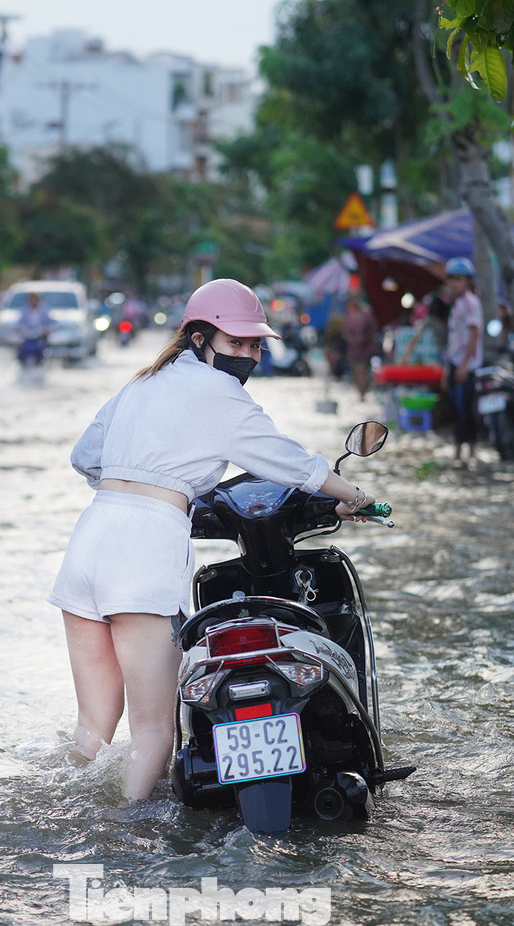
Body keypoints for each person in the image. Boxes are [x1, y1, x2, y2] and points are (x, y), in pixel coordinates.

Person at [48, 278, 380, 802]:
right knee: (153, 731)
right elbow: (294, 463)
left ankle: (66, 817)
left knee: (91, 728)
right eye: (235, 342)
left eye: (255, 345)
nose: (247, 354)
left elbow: (84, 458)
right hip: (145, 550)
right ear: (200, 339)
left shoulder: (140, 383)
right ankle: (118, 832)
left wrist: (139, 480)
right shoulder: (223, 394)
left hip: (90, 538)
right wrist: (357, 497)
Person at [441, 257, 483, 461]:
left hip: (466, 364)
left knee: (463, 408)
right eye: (451, 279)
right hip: (455, 363)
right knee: (457, 408)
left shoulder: (469, 303)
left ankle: (465, 451)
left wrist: (464, 365)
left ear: (467, 282)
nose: (453, 284)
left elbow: (475, 333)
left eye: (458, 280)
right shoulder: (457, 304)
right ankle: (462, 451)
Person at [342, 297, 380, 401]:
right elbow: (345, 332)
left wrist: (364, 338)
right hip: (354, 350)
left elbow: (374, 328)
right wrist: (352, 339)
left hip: (365, 349)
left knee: (362, 371)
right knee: (357, 371)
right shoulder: (349, 317)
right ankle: (361, 392)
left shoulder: (366, 315)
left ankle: (363, 392)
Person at [15, 291, 54, 374]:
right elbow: (19, 323)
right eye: (31, 299)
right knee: (22, 347)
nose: (33, 301)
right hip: (27, 336)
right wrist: (22, 329)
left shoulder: (44, 311)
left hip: (40, 337)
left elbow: (50, 324)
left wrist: (44, 330)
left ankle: (40, 364)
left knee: (41, 348)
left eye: (35, 299)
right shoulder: (24, 311)